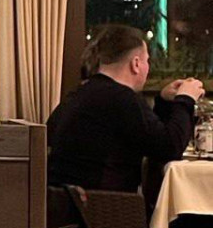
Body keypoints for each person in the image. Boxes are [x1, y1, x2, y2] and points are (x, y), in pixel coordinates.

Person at [46, 23, 205, 195]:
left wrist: (164, 101)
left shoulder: (79, 94)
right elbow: (170, 148)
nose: (148, 67)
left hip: (64, 204)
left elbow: (148, 137)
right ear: (136, 64)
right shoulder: (121, 98)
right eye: (147, 60)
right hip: (106, 205)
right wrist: (186, 99)